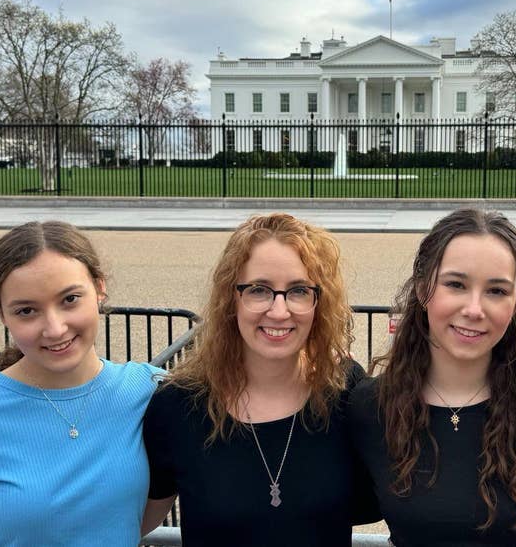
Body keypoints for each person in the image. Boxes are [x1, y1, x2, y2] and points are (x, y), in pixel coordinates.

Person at [0, 221, 163, 546]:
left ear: (99, 289)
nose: (55, 328)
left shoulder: (147, 391)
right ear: (2, 314)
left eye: (70, 299)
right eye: (27, 310)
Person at [142, 213, 379, 546]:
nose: (279, 311)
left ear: (318, 302)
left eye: (298, 290)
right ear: (231, 299)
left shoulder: (346, 392)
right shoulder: (179, 405)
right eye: (259, 290)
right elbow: (128, 522)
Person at [346, 208, 516, 546]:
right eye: (456, 284)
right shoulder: (371, 408)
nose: (474, 309)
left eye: (496, 291)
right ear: (423, 290)